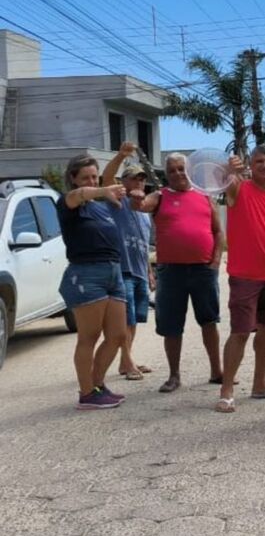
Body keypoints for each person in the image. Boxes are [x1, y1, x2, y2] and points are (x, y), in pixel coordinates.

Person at [131, 153, 224, 394]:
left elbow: (218, 232)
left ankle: (217, 371)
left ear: (190, 170)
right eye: (172, 170)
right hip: (171, 272)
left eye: (181, 169)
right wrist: (137, 197)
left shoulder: (205, 196)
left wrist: (215, 261)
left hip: (203, 270)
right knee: (171, 326)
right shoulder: (160, 197)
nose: (177, 173)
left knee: (209, 321)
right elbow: (140, 206)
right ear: (167, 174)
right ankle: (174, 376)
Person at [215, 145, 265, 413]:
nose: (264, 166)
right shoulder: (239, 189)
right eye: (259, 161)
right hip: (244, 276)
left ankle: (260, 384)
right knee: (240, 333)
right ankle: (226, 390)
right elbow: (225, 180)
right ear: (251, 164)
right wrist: (230, 168)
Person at [57, 154, 128, 409]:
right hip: (86, 273)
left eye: (94, 176)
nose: (91, 180)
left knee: (118, 335)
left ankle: (97, 385)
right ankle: (86, 393)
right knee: (89, 336)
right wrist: (101, 189)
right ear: (73, 179)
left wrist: (107, 193)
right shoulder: (68, 202)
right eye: (85, 177)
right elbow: (80, 195)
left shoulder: (100, 206)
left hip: (113, 271)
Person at [99, 142, 154, 381]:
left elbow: (144, 246)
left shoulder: (145, 212)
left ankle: (126, 360)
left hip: (141, 271)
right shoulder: (117, 204)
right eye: (134, 179)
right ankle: (128, 362)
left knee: (134, 321)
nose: (139, 182)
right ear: (124, 182)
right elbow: (107, 177)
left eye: (142, 179)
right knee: (124, 320)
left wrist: (150, 272)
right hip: (123, 271)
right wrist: (121, 155)